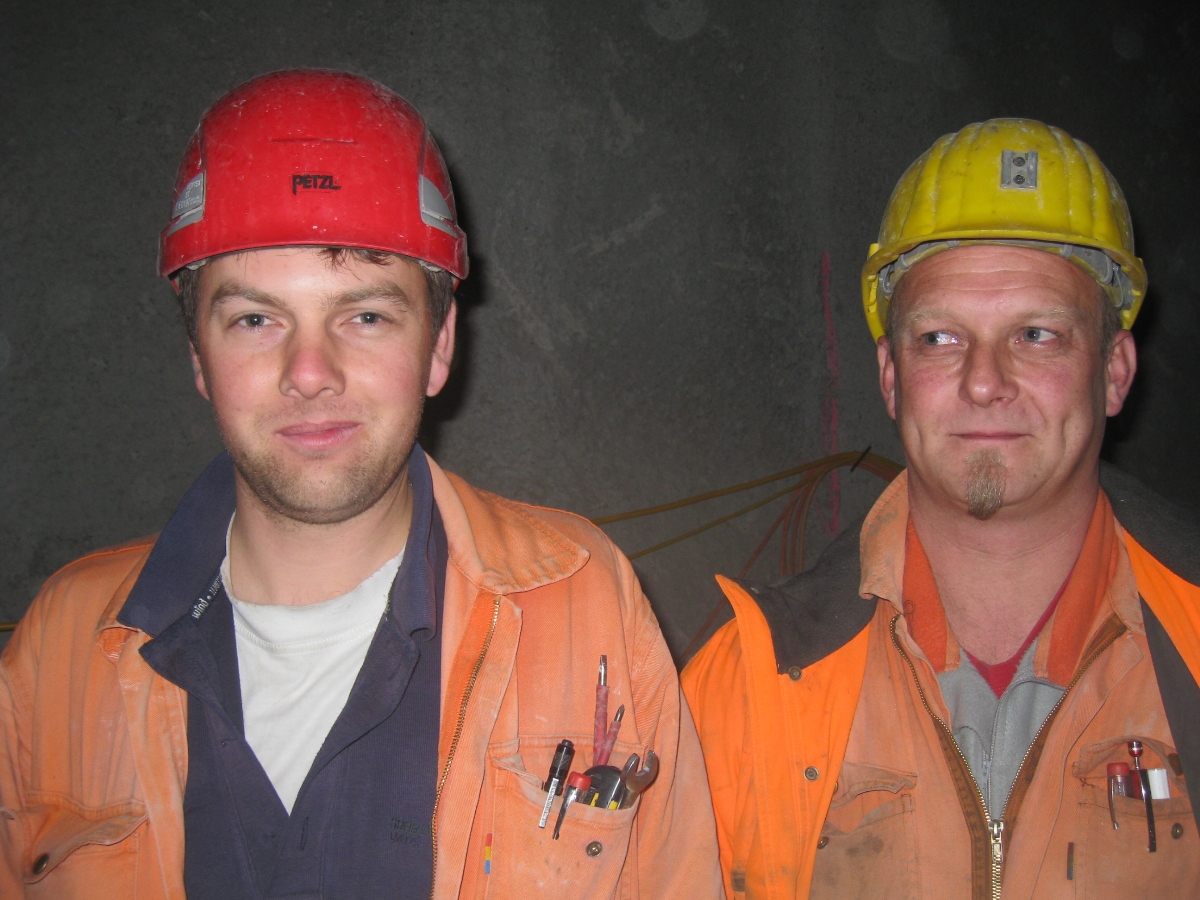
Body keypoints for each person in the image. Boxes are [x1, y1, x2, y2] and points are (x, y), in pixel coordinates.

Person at [0, 69, 721, 899]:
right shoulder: (63, 648)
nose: (310, 371)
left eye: (366, 316)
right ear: (198, 355)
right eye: (256, 319)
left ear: (439, 345)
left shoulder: (583, 601)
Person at [683, 119, 1200, 898]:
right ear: (891, 378)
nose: (984, 382)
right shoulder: (744, 685)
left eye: (1036, 334)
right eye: (940, 339)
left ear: (1115, 372)